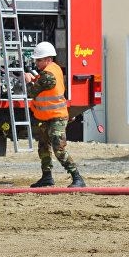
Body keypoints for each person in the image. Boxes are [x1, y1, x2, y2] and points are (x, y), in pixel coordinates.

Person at [24, 41, 86, 188]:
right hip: (47, 117)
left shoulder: (48, 74)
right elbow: (43, 86)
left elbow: (32, 92)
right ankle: (47, 177)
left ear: (49, 59)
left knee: (58, 148)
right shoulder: (52, 70)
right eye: (36, 60)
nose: (36, 63)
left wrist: (27, 81)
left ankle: (77, 178)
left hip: (56, 117)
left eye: (39, 60)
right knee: (43, 147)